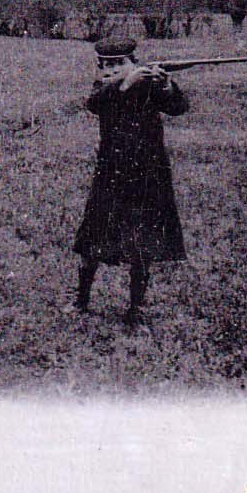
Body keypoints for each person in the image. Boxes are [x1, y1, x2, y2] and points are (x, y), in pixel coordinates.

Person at [73, 37, 188, 327]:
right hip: (111, 174)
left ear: (134, 62)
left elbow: (178, 107)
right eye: (106, 65)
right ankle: (81, 301)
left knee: (143, 245)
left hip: (149, 174)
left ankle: (135, 308)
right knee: (94, 240)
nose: (112, 69)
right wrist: (125, 81)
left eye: (119, 64)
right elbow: (95, 104)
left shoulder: (148, 85)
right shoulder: (105, 88)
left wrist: (166, 85)